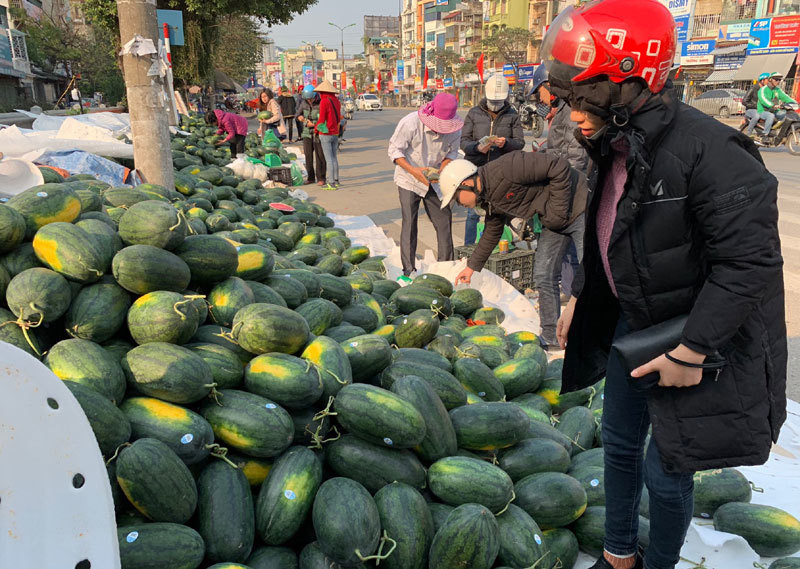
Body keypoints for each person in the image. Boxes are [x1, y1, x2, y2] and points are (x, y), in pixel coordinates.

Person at [542, 1, 786, 568]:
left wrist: (692, 350)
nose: (572, 114)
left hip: (697, 335)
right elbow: (609, 233)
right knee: (621, 444)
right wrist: (582, 295)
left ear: (630, 80)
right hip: (637, 324)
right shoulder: (616, 143)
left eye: (583, 98)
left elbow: (748, 265)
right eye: (569, 99)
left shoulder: (713, 152)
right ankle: (620, 554)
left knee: (668, 465)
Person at [440, 153, 585, 286]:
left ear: (466, 184)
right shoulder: (488, 198)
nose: (460, 205)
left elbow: (558, 165)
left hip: (578, 206)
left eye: (456, 199)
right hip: (553, 220)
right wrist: (471, 268)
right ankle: (550, 316)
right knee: (543, 277)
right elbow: (492, 231)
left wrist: (558, 212)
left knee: (589, 270)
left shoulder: (507, 168)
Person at [530, 63, 591, 351]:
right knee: (544, 273)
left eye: (539, 92)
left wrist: (559, 198)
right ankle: (551, 335)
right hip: (557, 208)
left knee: (590, 273)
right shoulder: (561, 113)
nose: (539, 100)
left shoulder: (572, 111)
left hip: (574, 206)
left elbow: (575, 161)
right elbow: (558, 154)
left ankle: (589, 337)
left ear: (550, 86)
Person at [388, 93, 463, 278]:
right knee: (409, 223)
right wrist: (414, 171)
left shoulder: (454, 128)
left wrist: (441, 170)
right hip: (409, 179)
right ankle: (408, 270)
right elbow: (394, 150)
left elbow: (453, 153)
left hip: (435, 182)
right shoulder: (410, 123)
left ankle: (446, 268)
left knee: (444, 221)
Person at [460, 73, 525, 245]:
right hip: (476, 170)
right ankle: (469, 248)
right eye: (493, 101)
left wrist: (506, 143)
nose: (495, 105)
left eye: (499, 102)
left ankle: (499, 246)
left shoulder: (512, 114)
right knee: (473, 213)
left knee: (499, 211)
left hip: (501, 172)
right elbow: (464, 142)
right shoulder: (474, 114)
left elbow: (520, 143)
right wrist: (477, 148)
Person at [314, 80, 343, 190]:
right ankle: (336, 180)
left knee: (328, 159)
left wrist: (316, 129)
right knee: (334, 157)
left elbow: (321, 119)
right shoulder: (337, 101)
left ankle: (330, 183)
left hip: (325, 133)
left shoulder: (324, 101)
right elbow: (338, 117)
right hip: (335, 132)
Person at [297, 84, 327, 186]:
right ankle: (310, 177)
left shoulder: (321, 103)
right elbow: (297, 114)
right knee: (308, 156)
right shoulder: (304, 103)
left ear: (315, 97)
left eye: (310, 99)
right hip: (307, 133)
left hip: (318, 132)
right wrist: (300, 117)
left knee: (320, 156)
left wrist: (314, 124)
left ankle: (321, 177)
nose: (309, 101)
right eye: (307, 99)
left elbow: (324, 120)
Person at [757, 72, 797, 137]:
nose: (778, 81)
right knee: (771, 116)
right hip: (763, 111)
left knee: (787, 115)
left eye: (779, 80)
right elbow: (763, 99)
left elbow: (786, 97)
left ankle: (781, 133)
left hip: (775, 111)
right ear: (770, 80)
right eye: (776, 79)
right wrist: (772, 105)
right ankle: (764, 134)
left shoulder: (778, 90)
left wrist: (794, 103)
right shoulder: (763, 89)